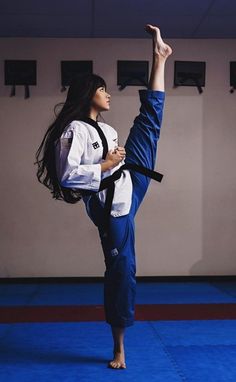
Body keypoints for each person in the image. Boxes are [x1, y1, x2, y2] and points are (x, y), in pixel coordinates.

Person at [35, 24, 172, 369]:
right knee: (122, 268)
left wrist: (116, 159)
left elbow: (113, 160)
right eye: (103, 90)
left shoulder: (108, 129)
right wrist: (106, 163)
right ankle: (119, 348)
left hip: (130, 182)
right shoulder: (73, 130)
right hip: (110, 206)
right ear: (88, 94)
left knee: (149, 122)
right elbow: (68, 174)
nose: (109, 95)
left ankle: (160, 58)